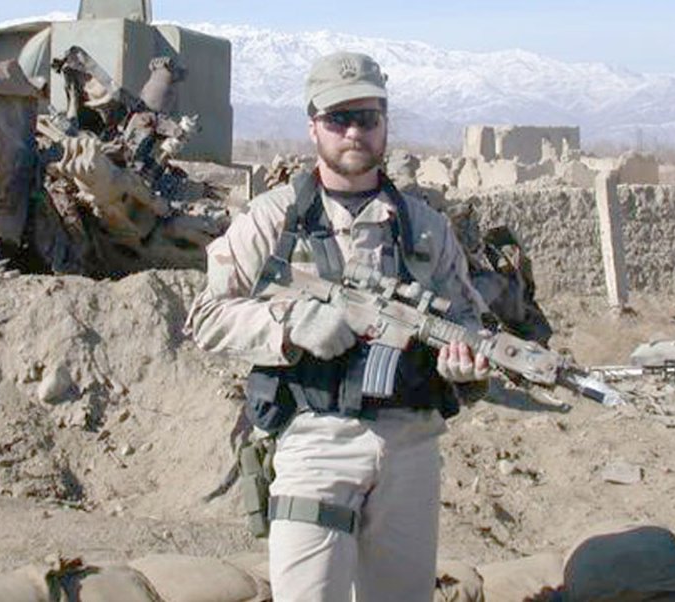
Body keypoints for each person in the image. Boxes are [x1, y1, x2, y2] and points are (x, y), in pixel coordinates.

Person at [185, 51, 491, 602]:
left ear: (385, 123)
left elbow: (469, 322)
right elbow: (206, 317)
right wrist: (289, 323)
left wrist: (465, 369)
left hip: (411, 445)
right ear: (313, 126)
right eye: (338, 118)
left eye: (368, 118)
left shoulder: (425, 227)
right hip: (313, 439)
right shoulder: (272, 219)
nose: (354, 131)